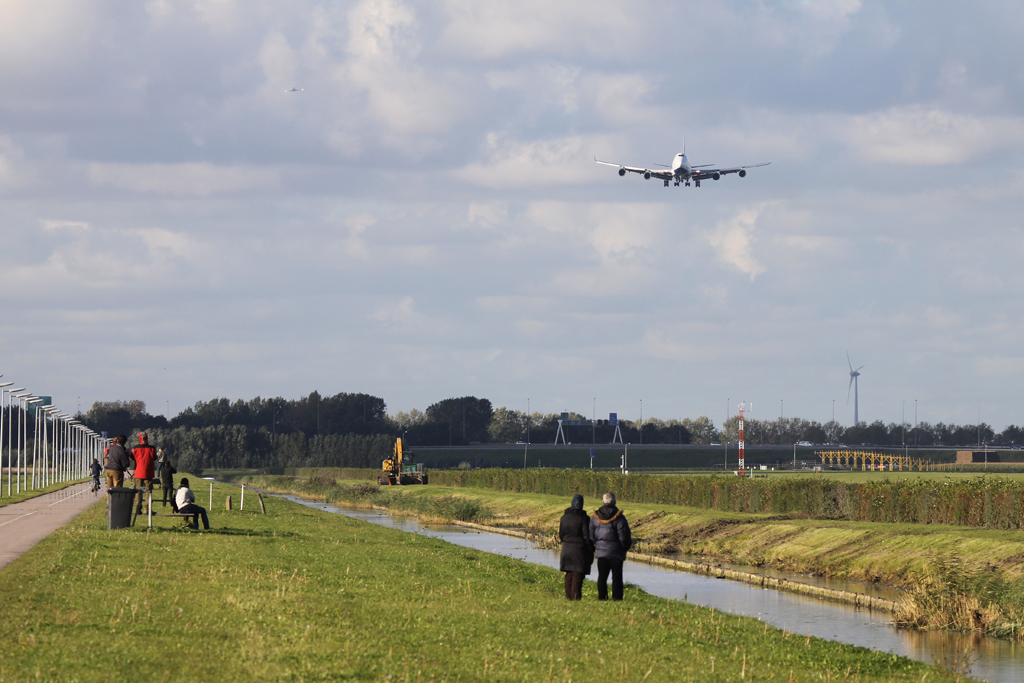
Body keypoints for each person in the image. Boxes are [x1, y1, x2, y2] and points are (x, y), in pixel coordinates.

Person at [589, 492, 632, 601]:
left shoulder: (595, 517)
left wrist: (597, 544)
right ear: (615, 502)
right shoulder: (620, 518)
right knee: (617, 578)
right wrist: (625, 547)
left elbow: (591, 535)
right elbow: (623, 537)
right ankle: (617, 599)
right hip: (616, 553)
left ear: (603, 501)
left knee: (602, 577)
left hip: (601, 552)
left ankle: (602, 597)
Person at [559, 494, 594, 600]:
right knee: (577, 575)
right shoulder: (584, 518)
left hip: (566, 548)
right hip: (579, 550)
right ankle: (576, 599)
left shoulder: (564, 518)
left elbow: (561, 535)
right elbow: (586, 536)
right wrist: (591, 548)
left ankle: (569, 597)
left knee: (568, 575)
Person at [131, 432, 157, 515]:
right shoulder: (151, 448)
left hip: (138, 472)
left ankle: (138, 508)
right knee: (148, 491)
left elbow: (132, 457)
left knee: (138, 491)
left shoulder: (135, 448)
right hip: (148, 473)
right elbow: (154, 458)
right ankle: (147, 509)